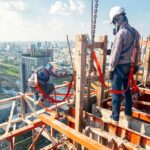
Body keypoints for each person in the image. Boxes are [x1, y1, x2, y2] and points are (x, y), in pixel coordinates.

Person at [107, 6, 140, 125]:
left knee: (116, 92)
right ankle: (128, 116)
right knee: (127, 91)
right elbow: (137, 50)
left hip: (119, 67)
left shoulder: (121, 33)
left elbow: (116, 53)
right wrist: (135, 64)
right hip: (128, 66)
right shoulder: (135, 32)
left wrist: (110, 69)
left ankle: (114, 118)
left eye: (115, 21)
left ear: (118, 19)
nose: (115, 24)